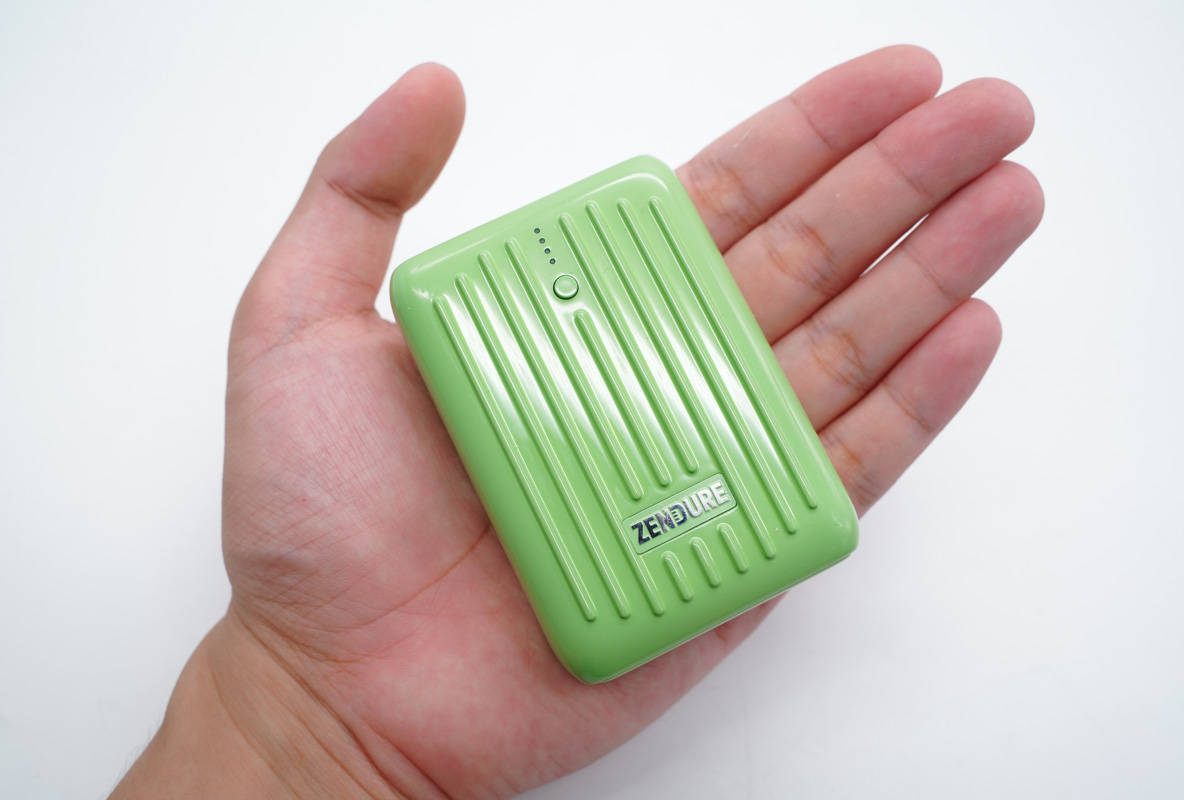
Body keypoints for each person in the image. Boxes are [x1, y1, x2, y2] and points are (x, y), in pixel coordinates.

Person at [110, 45, 1041, 799]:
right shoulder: (479, 298)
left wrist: (312, 743)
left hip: (660, 560)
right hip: (640, 564)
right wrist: (307, 721)